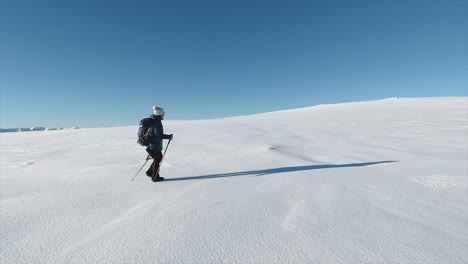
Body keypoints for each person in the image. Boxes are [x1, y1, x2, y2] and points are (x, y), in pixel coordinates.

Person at [145, 105, 173, 182]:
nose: (164, 114)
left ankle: (150, 172)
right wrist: (169, 137)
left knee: (157, 158)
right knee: (158, 159)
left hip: (151, 145)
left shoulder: (153, 121)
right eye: (163, 113)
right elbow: (159, 135)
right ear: (159, 114)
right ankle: (155, 177)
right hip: (154, 145)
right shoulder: (157, 123)